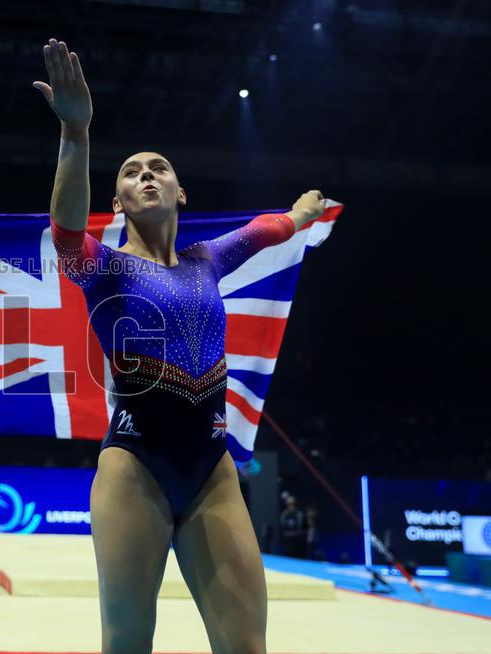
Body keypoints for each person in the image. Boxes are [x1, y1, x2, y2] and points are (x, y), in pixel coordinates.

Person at [34, 38, 326, 654]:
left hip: (211, 468)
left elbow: (260, 232)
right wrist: (76, 135)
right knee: (129, 642)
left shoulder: (205, 260)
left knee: (246, 646)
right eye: (133, 172)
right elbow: (64, 234)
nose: (147, 175)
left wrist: (300, 217)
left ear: (180, 192)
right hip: (134, 465)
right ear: (115, 203)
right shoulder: (103, 268)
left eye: (158, 167)